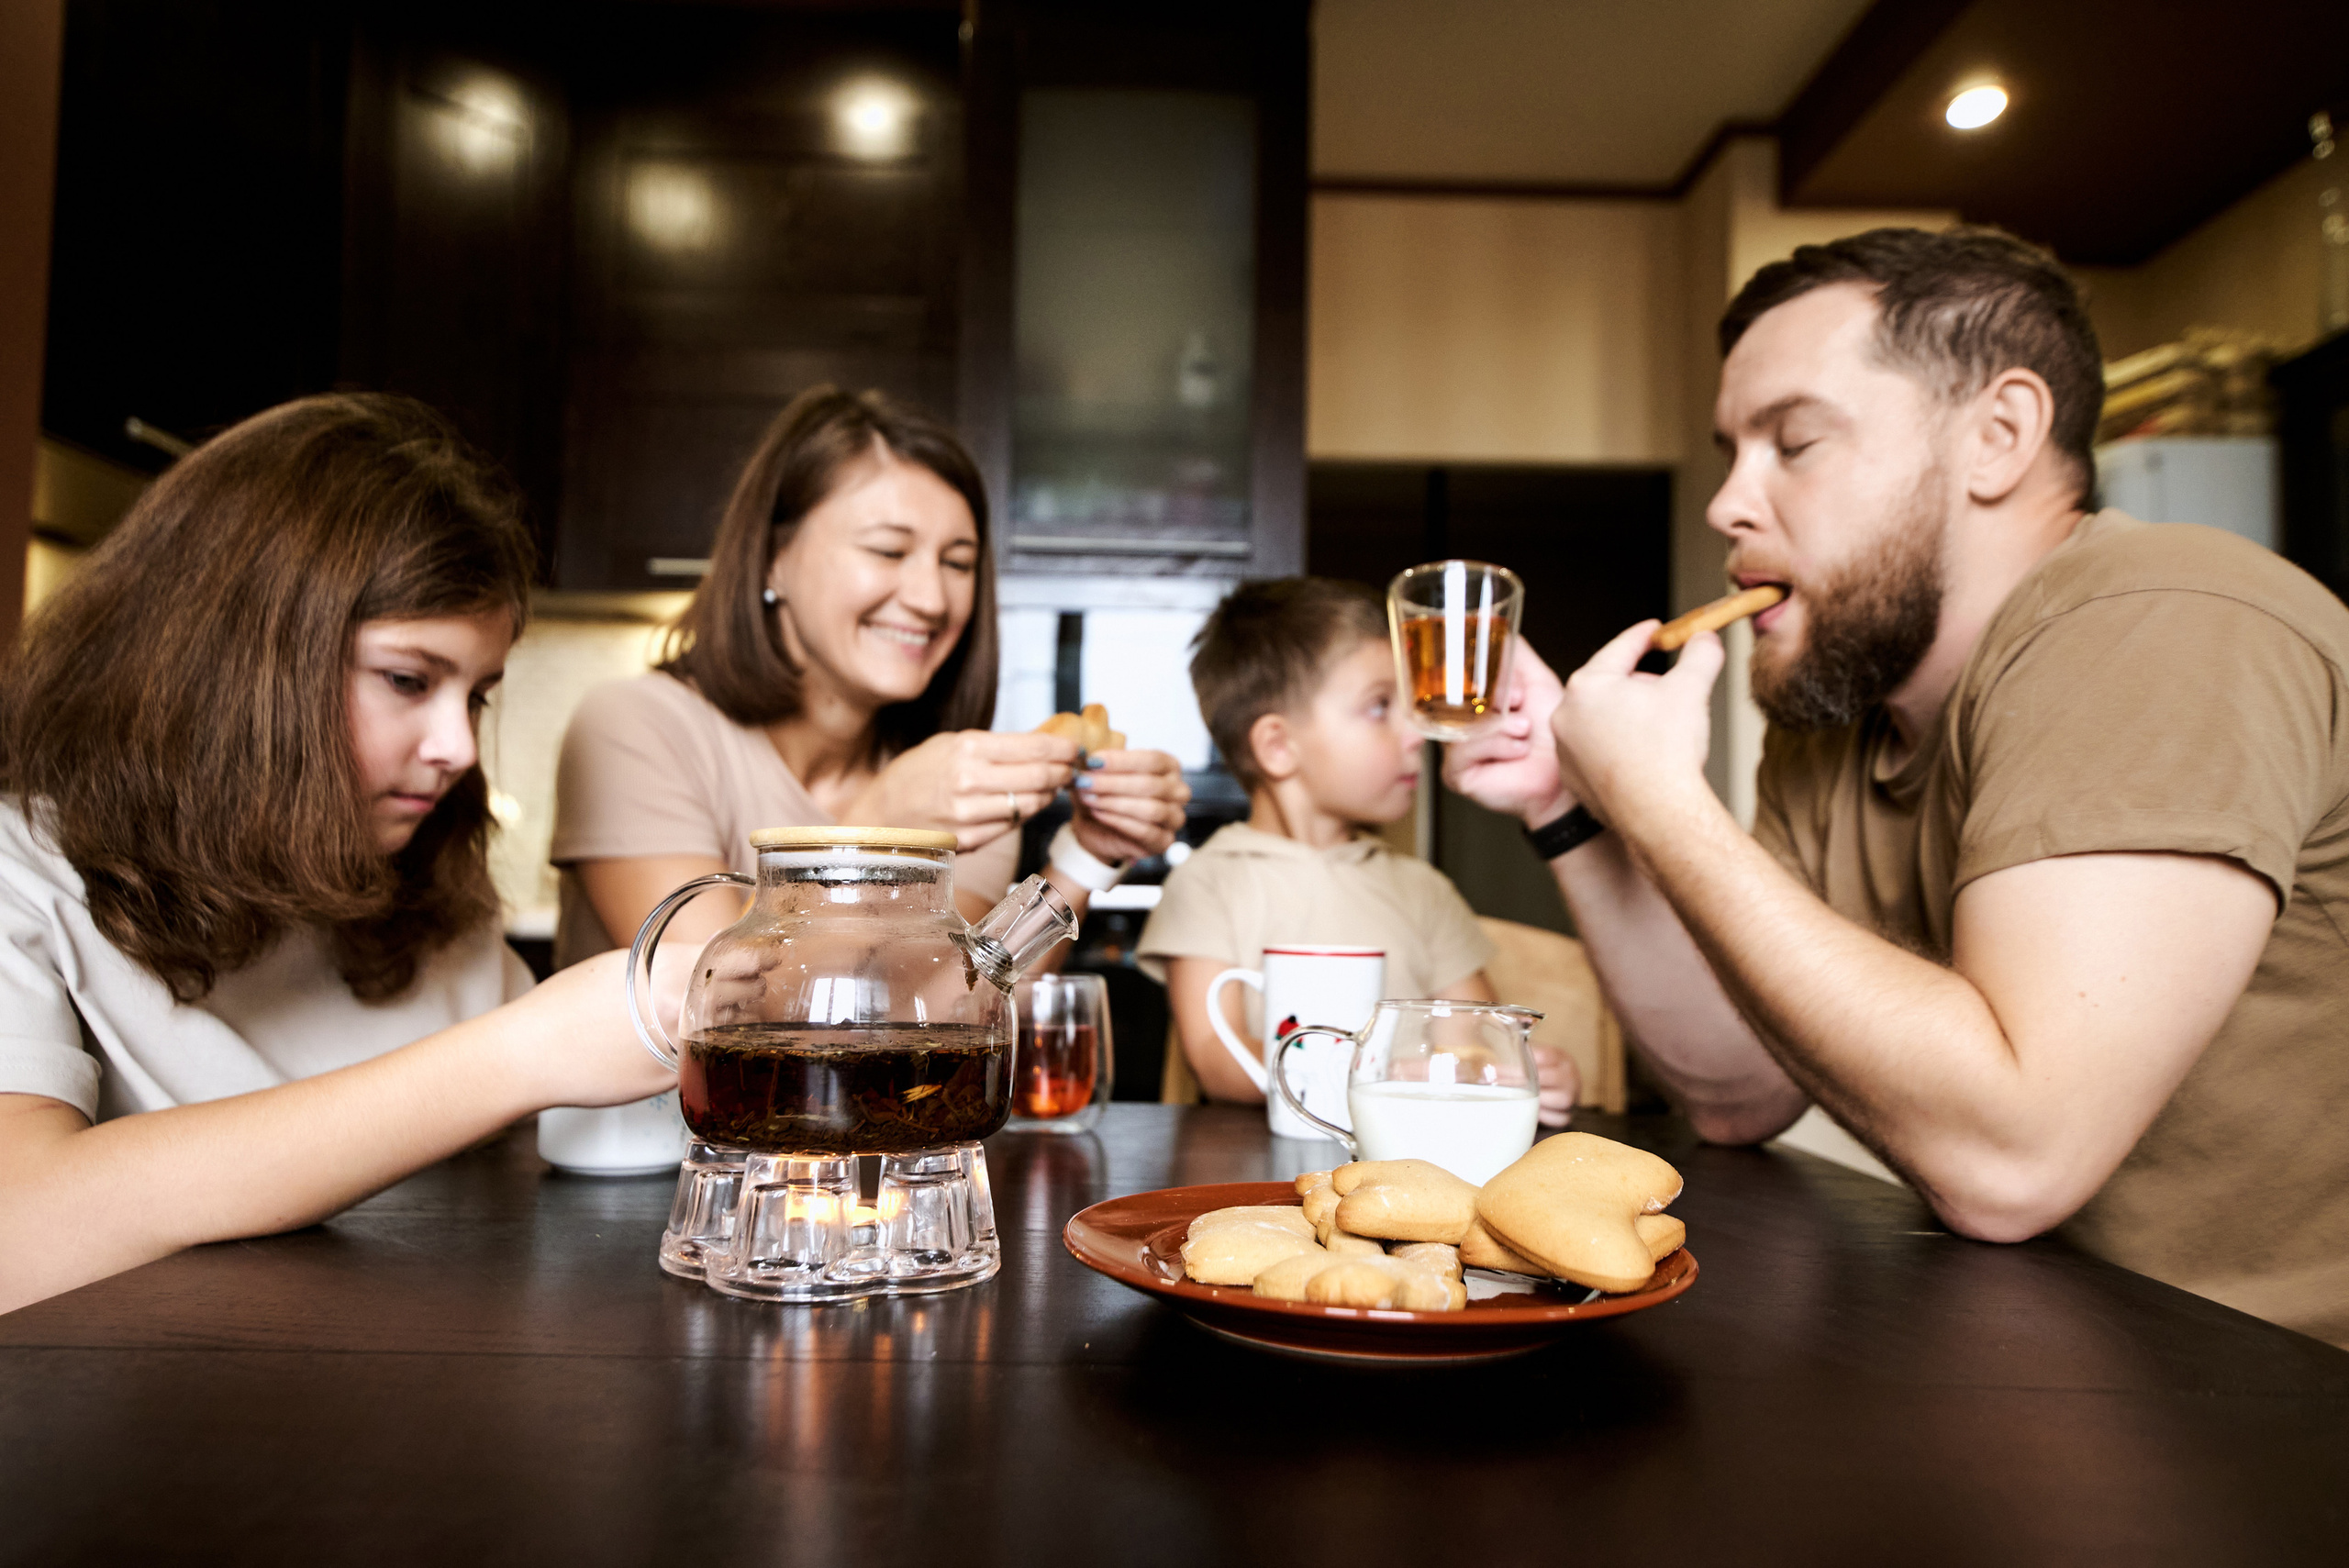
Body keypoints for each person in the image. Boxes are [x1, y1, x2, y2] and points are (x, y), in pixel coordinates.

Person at [1447, 227, 2349, 1346]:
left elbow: (2012, 1158)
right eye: (1731, 451)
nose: (1729, 503)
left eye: (1795, 442)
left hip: (2280, 1407)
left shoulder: (2163, 616)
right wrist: (1568, 802)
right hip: (2033, 1350)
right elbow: (1736, 1089)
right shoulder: (1841, 705)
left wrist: (1664, 802)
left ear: (1998, 436)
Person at [0, 394, 681, 1313]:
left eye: (476, 694)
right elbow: (20, 1232)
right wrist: (519, 1052)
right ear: (239, 659)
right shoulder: (22, 871)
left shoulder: (424, 891)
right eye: (408, 679)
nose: (459, 748)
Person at [551, 386, 1191, 962]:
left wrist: (1087, 856)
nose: (932, 598)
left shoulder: (955, 784)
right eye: (888, 550)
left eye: (958, 562)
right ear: (774, 560)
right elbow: (719, 1000)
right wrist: (878, 822)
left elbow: (949, 1001)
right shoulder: (634, 728)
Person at [1138, 577, 1578, 1121]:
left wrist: (1517, 1069)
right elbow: (1216, 1060)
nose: (1418, 731)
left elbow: (1473, 1044)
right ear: (1278, 746)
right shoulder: (1208, 883)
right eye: (1379, 706)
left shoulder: (1422, 888)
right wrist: (1386, 1070)